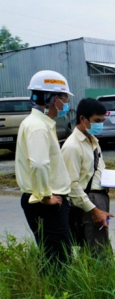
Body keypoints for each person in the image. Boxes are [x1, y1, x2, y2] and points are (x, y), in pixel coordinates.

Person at [15, 70, 74, 269]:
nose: (66, 103)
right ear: (54, 98)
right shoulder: (38, 127)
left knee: (52, 255)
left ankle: (51, 295)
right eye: (65, 98)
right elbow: (39, 164)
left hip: (46, 200)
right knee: (59, 260)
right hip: (46, 202)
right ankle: (57, 296)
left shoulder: (38, 124)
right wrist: (45, 196)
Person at [61, 98, 115, 258]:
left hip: (100, 197)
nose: (100, 125)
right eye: (96, 121)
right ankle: (102, 280)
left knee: (97, 244)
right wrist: (93, 210)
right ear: (83, 119)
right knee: (98, 251)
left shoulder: (92, 141)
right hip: (89, 200)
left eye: (102, 121)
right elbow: (72, 184)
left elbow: (98, 171)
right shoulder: (72, 146)